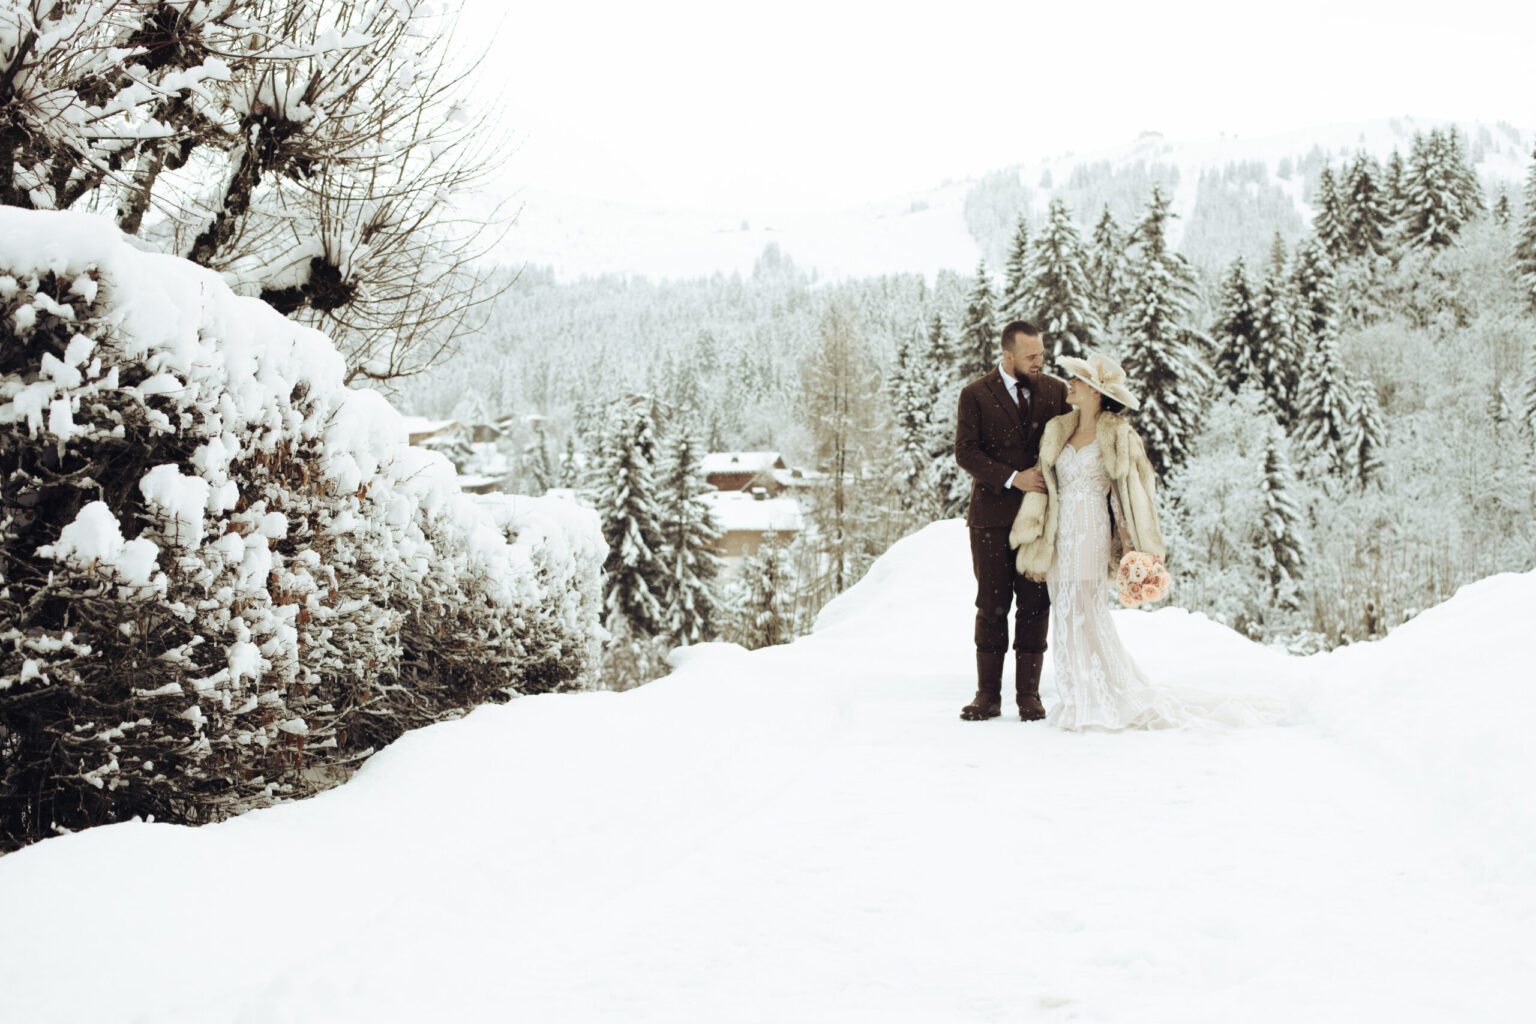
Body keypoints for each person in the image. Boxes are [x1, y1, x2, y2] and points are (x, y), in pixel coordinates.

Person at [1008, 351, 1274, 730]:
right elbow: (1046, 484)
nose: (1072, 384)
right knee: (1063, 611)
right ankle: (1078, 697)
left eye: (1080, 381)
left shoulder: (1117, 433)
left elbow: (1129, 493)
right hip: (1058, 531)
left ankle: (1103, 697)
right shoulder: (1057, 429)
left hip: (1091, 527)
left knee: (1087, 610)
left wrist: (1134, 545)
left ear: (1097, 392)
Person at [953, 321, 1066, 721]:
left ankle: (1028, 696)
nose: (1040, 362)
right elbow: (965, 452)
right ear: (1008, 357)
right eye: (1031, 356)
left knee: (1036, 605)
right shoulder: (975, 395)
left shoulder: (1055, 390)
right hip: (991, 520)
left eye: (1041, 355)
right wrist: (1012, 477)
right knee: (992, 605)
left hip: (1039, 522)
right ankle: (987, 695)